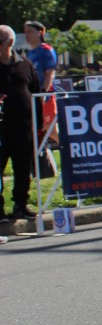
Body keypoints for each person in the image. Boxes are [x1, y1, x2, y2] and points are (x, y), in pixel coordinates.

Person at [0, 24, 40, 227]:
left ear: (8, 43)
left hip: (23, 127)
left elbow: (36, 93)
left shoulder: (25, 64)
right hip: (1, 129)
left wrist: (39, 124)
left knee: (23, 168)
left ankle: (21, 205)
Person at [23, 19, 59, 148]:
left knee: (50, 127)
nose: (27, 35)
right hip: (32, 96)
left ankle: (70, 147)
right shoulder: (29, 54)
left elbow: (50, 74)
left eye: (30, 32)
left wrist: (43, 93)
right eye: (25, 32)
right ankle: (41, 155)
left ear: (39, 33)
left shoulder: (46, 50)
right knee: (36, 128)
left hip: (45, 96)